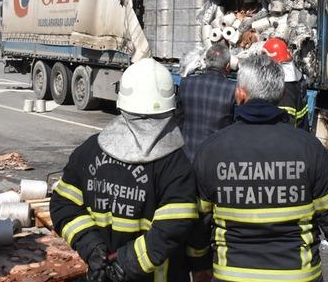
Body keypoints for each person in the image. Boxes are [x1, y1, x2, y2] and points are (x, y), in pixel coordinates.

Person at [193, 55, 328, 282]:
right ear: (279, 94)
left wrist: (198, 264)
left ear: (240, 94)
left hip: (232, 275)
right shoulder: (308, 148)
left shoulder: (212, 150)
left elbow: (198, 221)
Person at [50, 58, 209, 282]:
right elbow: (177, 226)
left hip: (101, 274)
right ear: (170, 103)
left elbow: (63, 205)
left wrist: (93, 249)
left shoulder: (89, 151)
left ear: (121, 99)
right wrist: (126, 263)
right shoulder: (175, 164)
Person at [177, 43, 236, 161]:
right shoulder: (232, 89)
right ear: (228, 66)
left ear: (206, 61)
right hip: (216, 159)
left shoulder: (186, 84)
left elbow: (179, 119)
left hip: (188, 156)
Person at [263, 38, 309, 130]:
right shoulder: (295, 76)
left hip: (292, 137)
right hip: (301, 131)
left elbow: (286, 121)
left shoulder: (285, 86)